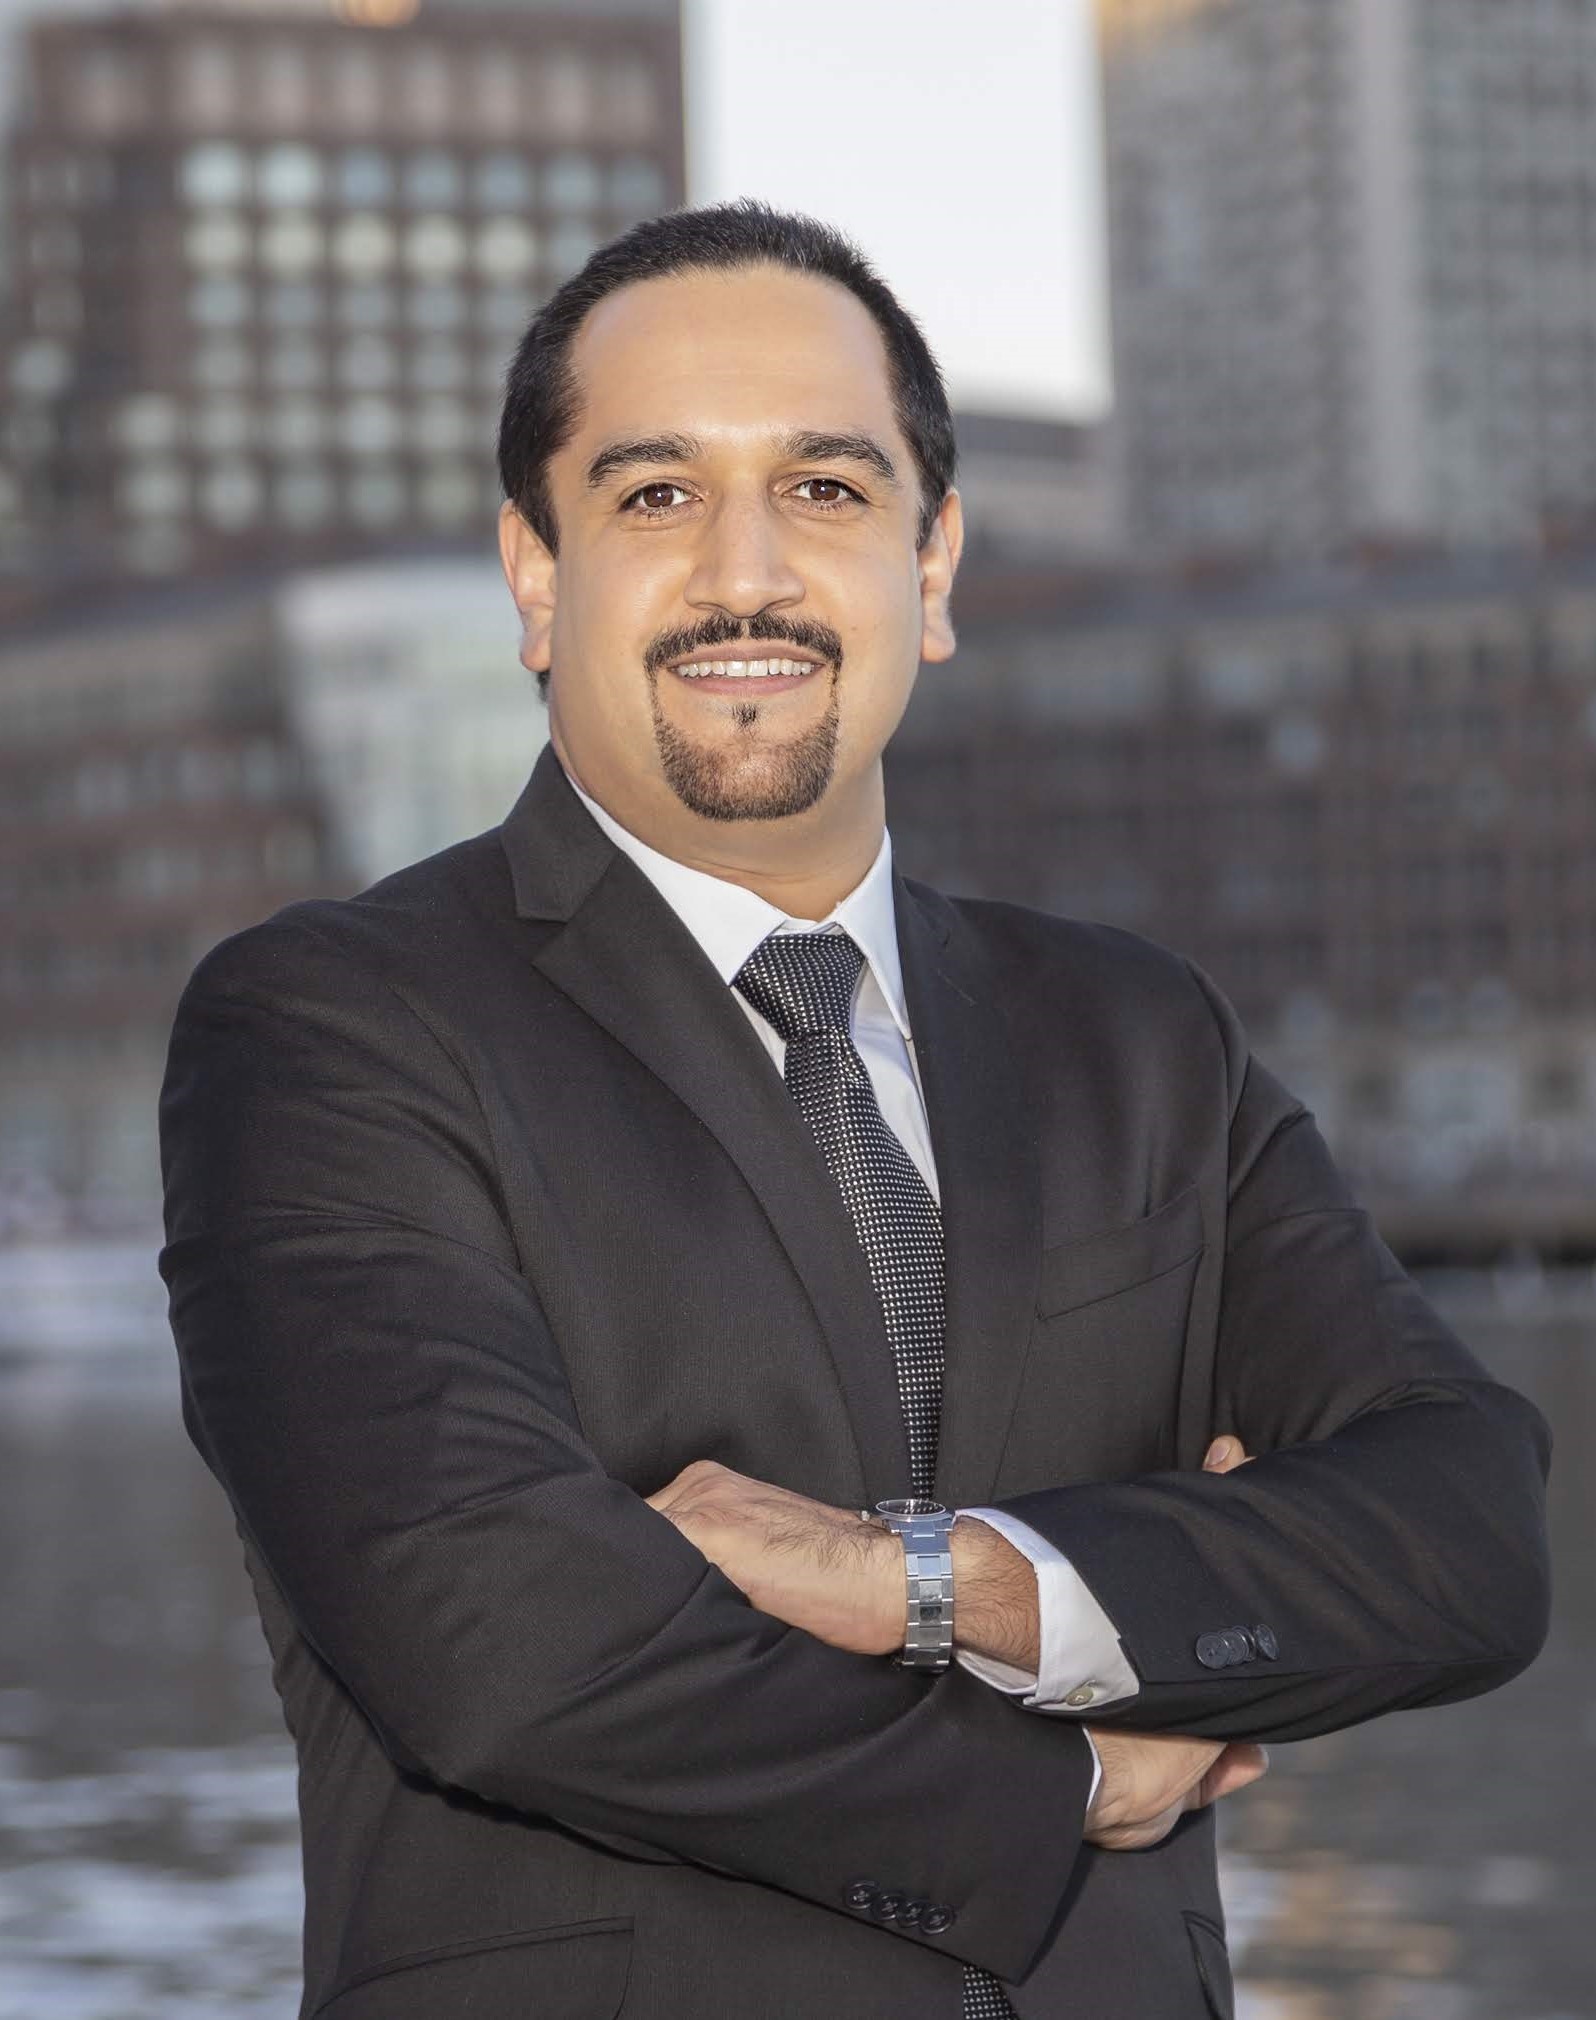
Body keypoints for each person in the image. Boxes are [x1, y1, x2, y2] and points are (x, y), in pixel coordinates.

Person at [159, 202, 1550, 2020]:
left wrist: (922, 1576)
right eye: (655, 496)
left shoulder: (1140, 1039)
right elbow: (499, 1643)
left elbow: (1465, 1531)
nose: (746, 572)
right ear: (535, 573)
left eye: (824, 488)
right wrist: (1069, 1772)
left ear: (935, 563)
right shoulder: (335, 1029)